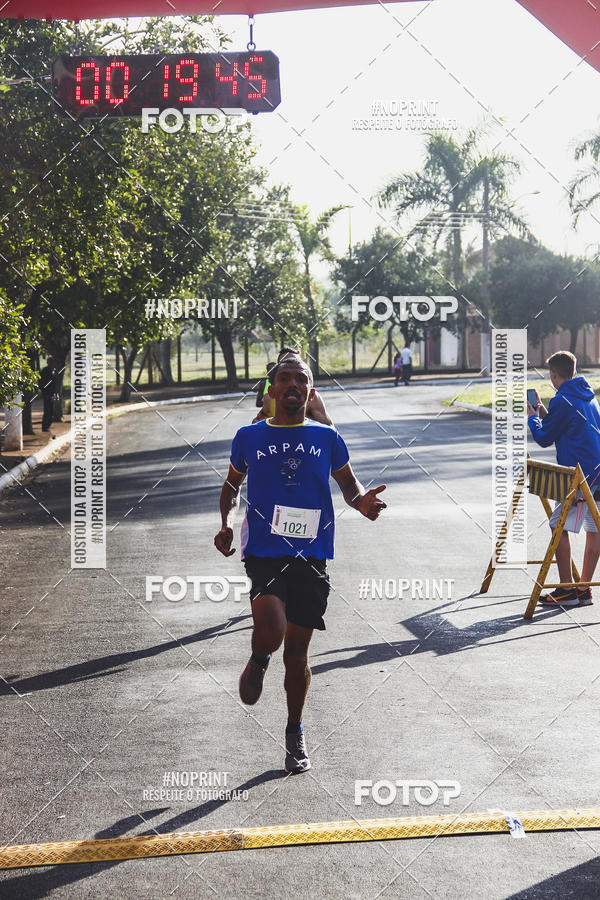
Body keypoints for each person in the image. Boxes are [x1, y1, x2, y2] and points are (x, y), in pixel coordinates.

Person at [215, 356, 386, 773]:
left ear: (310, 391)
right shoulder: (248, 436)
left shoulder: (327, 437)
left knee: (297, 654)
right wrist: (225, 523)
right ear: (272, 389)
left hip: (312, 554)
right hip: (264, 551)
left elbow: (348, 483)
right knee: (272, 630)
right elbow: (232, 485)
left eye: (301, 380)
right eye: (285, 378)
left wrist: (361, 502)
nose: (293, 385)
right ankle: (259, 656)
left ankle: (294, 732)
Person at [527, 350, 600, 608]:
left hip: (579, 476)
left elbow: (544, 438)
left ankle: (567, 588)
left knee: (557, 525)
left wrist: (532, 418)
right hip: (598, 472)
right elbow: (569, 426)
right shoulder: (589, 397)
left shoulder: (561, 399)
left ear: (553, 374)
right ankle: (584, 588)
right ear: (574, 370)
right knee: (595, 528)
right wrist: (545, 415)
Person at [252, 347, 333, 426]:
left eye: (295, 361)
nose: (291, 365)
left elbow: (328, 427)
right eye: (286, 362)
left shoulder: (314, 398)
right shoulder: (268, 399)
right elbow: (256, 422)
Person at [39, 357, 57, 432]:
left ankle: (48, 425)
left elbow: (55, 384)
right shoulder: (44, 371)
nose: (51, 364)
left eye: (52, 362)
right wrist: (44, 391)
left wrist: (56, 393)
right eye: (50, 362)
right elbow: (41, 382)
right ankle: (45, 427)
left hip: (52, 393)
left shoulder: (54, 371)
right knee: (47, 410)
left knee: (52, 410)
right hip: (47, 393)